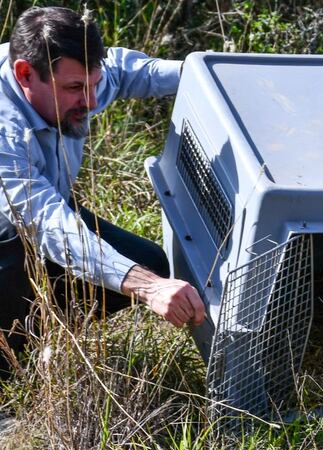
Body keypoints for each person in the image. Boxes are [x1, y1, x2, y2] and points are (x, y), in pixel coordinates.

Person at [0, 7, 204, 377]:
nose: (92, 101)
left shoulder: (68, 73)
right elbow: (46, 222)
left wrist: (210, 74)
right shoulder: (5, 131)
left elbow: (126, 72)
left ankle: (35, 335)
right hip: (16, 228)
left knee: (148, 261)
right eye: (75, 89)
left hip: (41, 210)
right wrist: (148, 288)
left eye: (93, 84)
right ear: (25, 74)